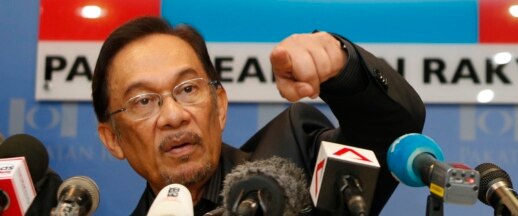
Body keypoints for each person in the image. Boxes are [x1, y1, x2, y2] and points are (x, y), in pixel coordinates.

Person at [91, 16, 425, 215]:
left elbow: (392, 133)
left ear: (220, 106)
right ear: (112, 139)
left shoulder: (291, 156)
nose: (173, 116)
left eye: (188, 89)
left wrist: (343, 67)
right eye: (144, 101)